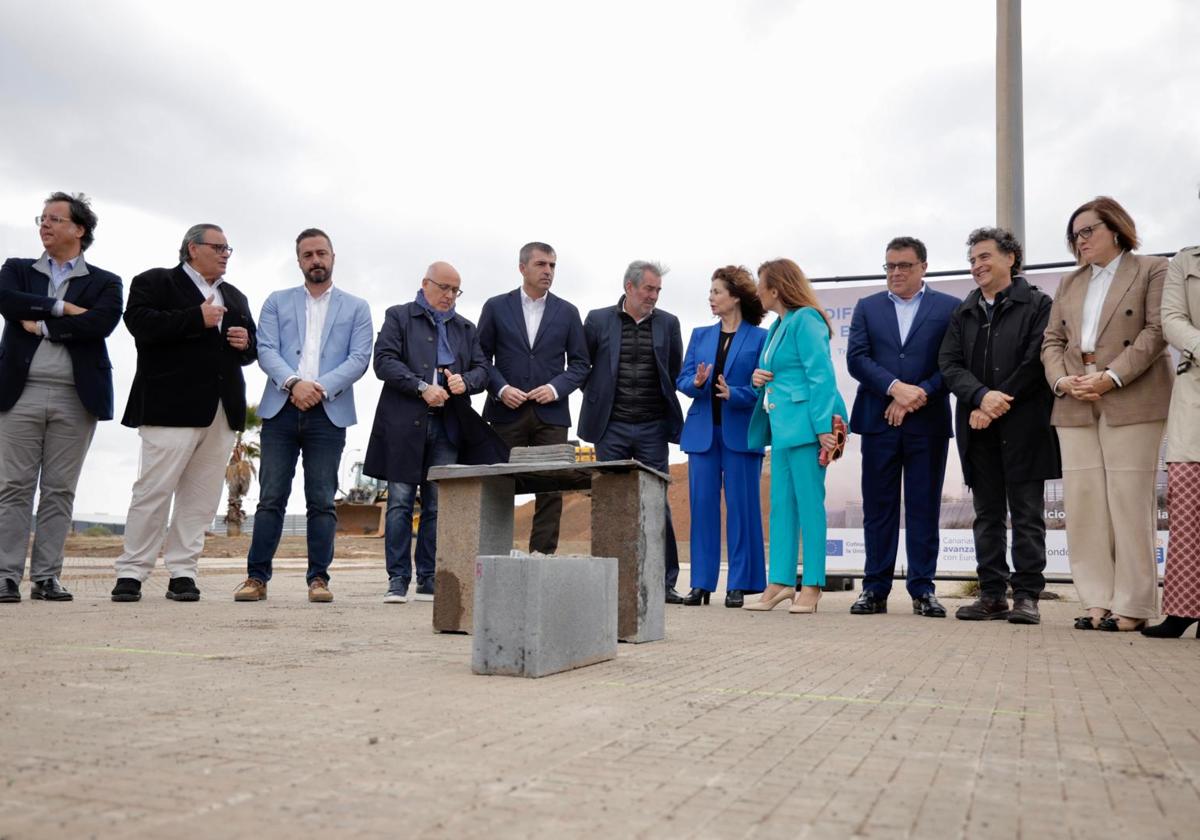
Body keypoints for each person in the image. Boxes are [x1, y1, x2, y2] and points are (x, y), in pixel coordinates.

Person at [1042, 197, 1171, 632]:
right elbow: (1051, 342)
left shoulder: (1152, 269)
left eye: (1088, 231)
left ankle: (1133, 605)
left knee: (1129, 502)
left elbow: (1156, 333)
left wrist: (1111, 377)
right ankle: (1095, 601)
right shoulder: (1069, 283)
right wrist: (1063, 381)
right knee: (1083, 504)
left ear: (1115, 229)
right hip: (1075, 399)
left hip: (1131, 396)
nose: (1080, 241)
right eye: (1074, 235)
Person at [112, 224, 257, 602]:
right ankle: (132, 571)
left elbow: (248, 350)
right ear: (193, 248)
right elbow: (140, 326)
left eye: (229, 248)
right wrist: (197, 318)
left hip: (222, 410)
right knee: (153, 491)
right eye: (219, 247)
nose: (226, 254)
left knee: (201, 496)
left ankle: (183, 571)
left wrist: (245, 344)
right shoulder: (155, 283)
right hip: (168, 406)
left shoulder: (236, 296)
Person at [233, 229, 373, 604]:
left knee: (322, 500)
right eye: (308, 254)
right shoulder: (277, 302)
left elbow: (359, 358)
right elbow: (265, 349)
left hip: (329, 414)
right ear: (299, 261)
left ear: (332, 257)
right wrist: (294, 383)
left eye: (321, 253)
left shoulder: (357, 307)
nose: (316, 260)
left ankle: (319, 580)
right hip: (281, 410)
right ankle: (256, 578)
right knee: (270, 498)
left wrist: (319, 388)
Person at [0, 192, 123, 604]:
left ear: (79, 229)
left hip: (76, 397)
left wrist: (44, 326)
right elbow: (7, 302)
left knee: (59, 490)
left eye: (55, 218)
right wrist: (63, 307)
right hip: (20, 393)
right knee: (13, 486)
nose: (45, 224)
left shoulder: (105, 281)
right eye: (42, 218)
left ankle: (47, 577)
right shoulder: (16, 270)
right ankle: (5, 575)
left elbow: (100, 324)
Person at [938, 227, 1060, 624]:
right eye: (972, 260)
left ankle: (1027, 596)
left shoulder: (1038, 304)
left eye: (985, 257)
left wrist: (994, 402)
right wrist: (979, 397)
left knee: (1026, 513)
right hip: (977, 427)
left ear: (1011, 258)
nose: (977, 266)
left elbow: (1036, 360)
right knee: (987, 514)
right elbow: (949, 365)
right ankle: (991, 595)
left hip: (1024, 425)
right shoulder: (964, 311)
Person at [846, 237, 959, 617]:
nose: (896, 272)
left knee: (924, 507)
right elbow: (857, 359)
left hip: (927, 423)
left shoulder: (949, 308)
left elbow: (952, 363)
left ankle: (923, 590)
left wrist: (918, 394)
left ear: (923, 267)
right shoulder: (867, 307)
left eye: (904, 265)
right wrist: (895, 389)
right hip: (879, 422)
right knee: (879, 509)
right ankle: (874, 589)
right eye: (890, 266)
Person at [364, 262, 490, 603]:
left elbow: (483, 370)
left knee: (437, 505)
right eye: (444, 288)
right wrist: (421, 387)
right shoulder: (399, 316)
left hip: (448, 426)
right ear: (425, 284)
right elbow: (384, 361)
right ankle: (397, 580)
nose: (450, 296)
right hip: (404, 423)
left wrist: (468, 381)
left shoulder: (466, 327)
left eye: (456, 290)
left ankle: (429, 579)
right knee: (401, 502)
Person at [742, 259, 846, 613]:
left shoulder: (806, 319)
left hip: (806, 427)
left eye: (761, 285)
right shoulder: (777, 326)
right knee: (781, 508)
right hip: (781, 428)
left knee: (808, 507)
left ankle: (813, 584)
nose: (757, 291)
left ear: (776, 288)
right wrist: (760, 377)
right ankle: (780, 582)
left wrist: (823, 431)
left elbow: (821, 376)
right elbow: (782, 373)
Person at [579, 260, 684, 604]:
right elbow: (586, 369)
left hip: (653, 428)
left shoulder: (668, 323)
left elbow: (673, 370)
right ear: (629, 287)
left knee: (657, 504)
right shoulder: (597, 319)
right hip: (612, 428)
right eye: (648, 289)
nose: (653, 296)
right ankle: (609, 581)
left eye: (657, 291)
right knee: (611, 504)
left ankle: (665, 582)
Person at [477, 242, 589, 553]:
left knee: (552, 486)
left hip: (551, 414)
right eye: (541, 264)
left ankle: (542, 555)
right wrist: (501, 389)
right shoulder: (496, 307)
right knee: (498, 483)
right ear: (522, 267)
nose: (548, 271)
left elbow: (580, 364)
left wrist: (554, 388)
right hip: (504, 412)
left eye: (552, 265)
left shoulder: (567, 312)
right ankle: (493, 555)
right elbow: (480, 358)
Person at [676, 266, 768, 608]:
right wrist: (697, 384)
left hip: (743, 434)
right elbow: (683, 380)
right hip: (702, 434)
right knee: (702, 509)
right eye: (710, 291)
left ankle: (740, 584)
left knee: (743, 510)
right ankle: (701, 584)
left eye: (716, 291)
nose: (711, 298)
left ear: (735, 296)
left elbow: (765, 389)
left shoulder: (761, 337)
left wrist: (737, 394)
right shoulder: (700, 335)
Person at [1146, 240, 1200, 638]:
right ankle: (1183, 610)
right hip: (1195, 389)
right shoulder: (1185, 261)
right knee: (1187, 501)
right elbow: (1172, 319)